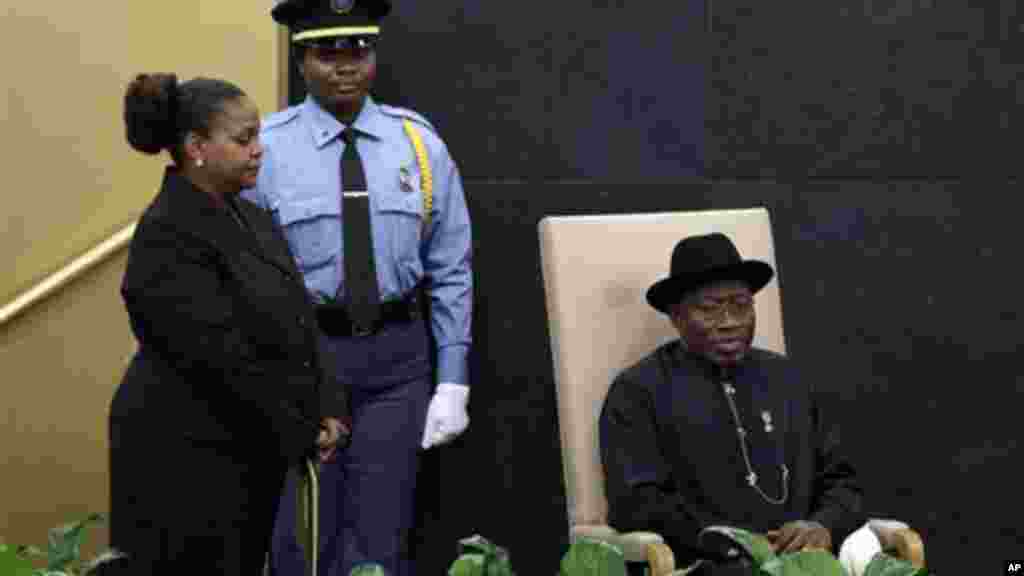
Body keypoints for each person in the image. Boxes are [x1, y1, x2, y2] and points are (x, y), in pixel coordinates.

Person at [242, 2, 474, 575]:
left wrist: (452, 376)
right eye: (327, 53)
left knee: (381, 538)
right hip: (304, 360)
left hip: (397, 362)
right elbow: (242, 273)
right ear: (301, 61)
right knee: (302, 537)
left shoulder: (418, 145)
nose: (345, 66)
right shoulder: (266, 151)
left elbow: (450, 267)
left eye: (359, 50)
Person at [109, 73, 347, 576]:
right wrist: (299, 426)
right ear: (196, 147)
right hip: (183, 457)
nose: (259, 150)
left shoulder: (253, 218)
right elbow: (220, 359)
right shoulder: (166, 234)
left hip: (249, 448)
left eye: (258, 136)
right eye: (243, 140)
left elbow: (300, 319)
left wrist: (326, 402)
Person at [599, 233, 863, 575]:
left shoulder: (790, 379)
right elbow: (635, 504)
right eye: (709, 309)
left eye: (740, 304)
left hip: (808, 564)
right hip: (706, 565)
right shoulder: (638, 391)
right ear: (676, 316)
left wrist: (823, 526)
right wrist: (733, 543)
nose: (728, 322)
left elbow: (842, 481)